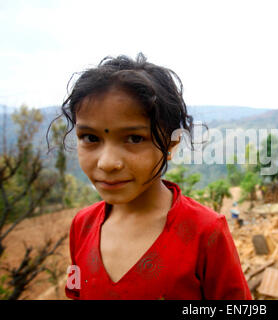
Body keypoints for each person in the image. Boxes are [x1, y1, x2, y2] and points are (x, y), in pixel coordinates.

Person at [50, 53, 251, 300]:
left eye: (134, 138)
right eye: (90, 138)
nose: (107, 163)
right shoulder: (82, 226)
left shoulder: (206, 233)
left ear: (171, 144)